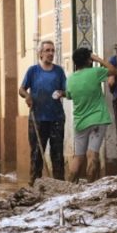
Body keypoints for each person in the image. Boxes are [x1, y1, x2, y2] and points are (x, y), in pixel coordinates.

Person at [66, 47, 117, 182]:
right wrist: (98, 59)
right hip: (98, 119)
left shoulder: (70, 79)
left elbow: (69, 96)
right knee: (92, 155)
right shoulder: (95, 72)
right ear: (89, 60)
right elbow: (113, 71)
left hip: (80, 122)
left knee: (78, 157)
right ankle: (90, 187)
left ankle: (68, 188)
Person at [20, 40, 67, 183]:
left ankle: (59, 184)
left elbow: (66, 91)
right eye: (47, 50)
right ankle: (35, 184)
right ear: (40, 53)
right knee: (36, 154)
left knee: (57, 154)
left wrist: (62, 93)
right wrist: (27, 96)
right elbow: (21, 89)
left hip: (56, 118)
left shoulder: (59, 71)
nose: (51, 53)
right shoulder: (33, 71)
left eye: (52, 51)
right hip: (38, 118)